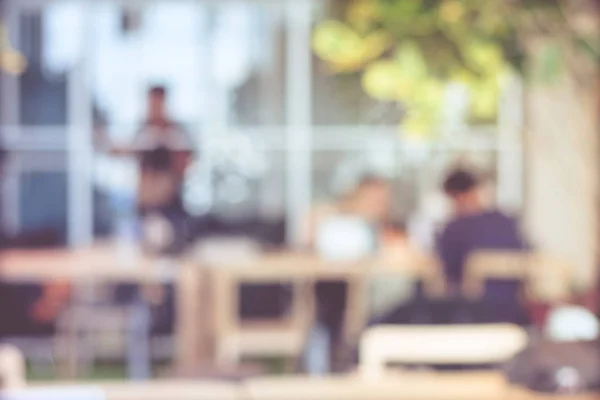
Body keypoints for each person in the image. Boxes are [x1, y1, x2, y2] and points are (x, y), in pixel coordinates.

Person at [436, 168, 529, 323]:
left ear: (456, 197)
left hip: (473, 316)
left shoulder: (454, 229)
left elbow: (448, 277)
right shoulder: (506, 222)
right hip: (515, 313)